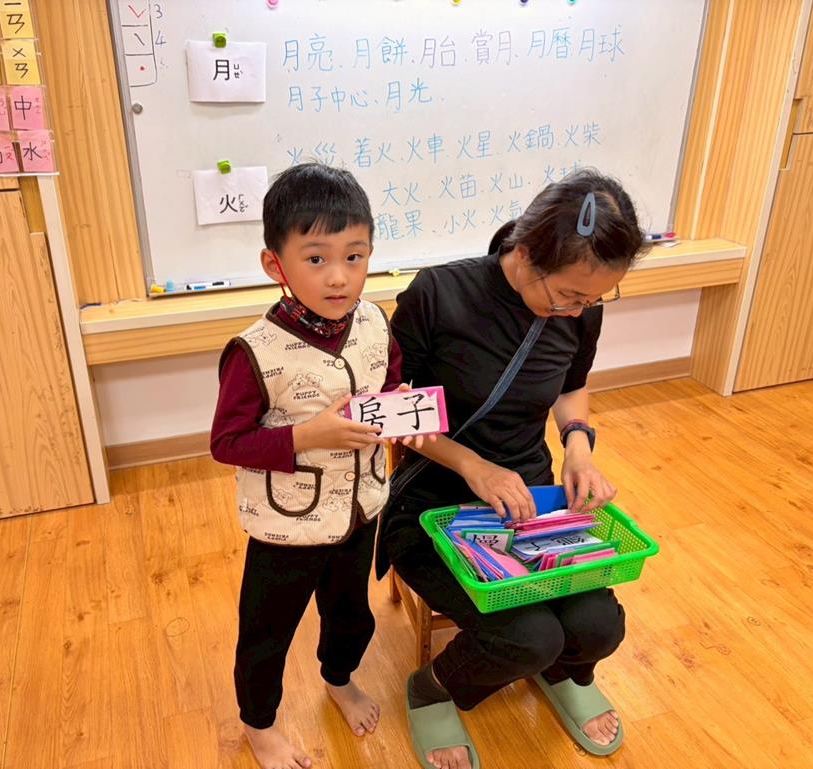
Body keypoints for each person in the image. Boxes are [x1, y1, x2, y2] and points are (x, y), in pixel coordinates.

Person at [377, 170, 649, 769]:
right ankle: (433, 689)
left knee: (600, 626)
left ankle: (563, 673)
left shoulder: (580, 310)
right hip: (432, 501)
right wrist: (473, 466)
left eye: (592, 301)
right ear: (525, 254)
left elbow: (571, 389)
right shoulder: (438, 294)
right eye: (569, 296)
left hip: (532, 502)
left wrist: (578, 449)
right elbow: (390, 407)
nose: (576, 311)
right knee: (526, 636)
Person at [211, 163, 421, 769]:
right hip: (287, 525)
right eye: (316, 259)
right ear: (275, 264)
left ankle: (339, 678)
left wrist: (404, 410)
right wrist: (308, 435)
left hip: (360, 509)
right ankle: (260, 726)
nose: (339, 276)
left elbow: (391, 382)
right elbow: (228, 442)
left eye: (355, 256)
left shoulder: (374, 321)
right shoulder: (254, 352)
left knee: (350, 612)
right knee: (266, 631)